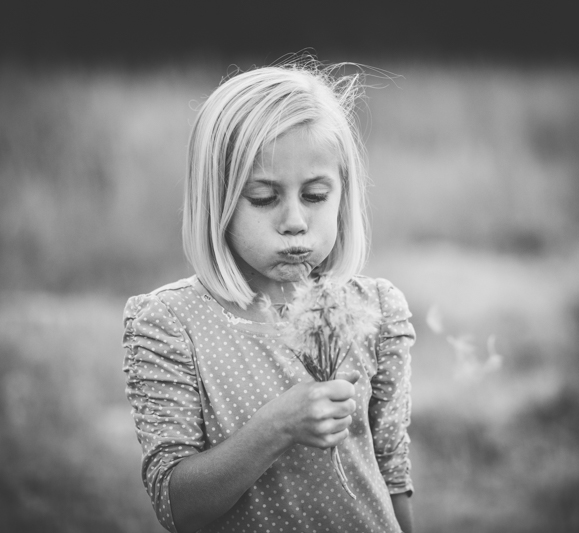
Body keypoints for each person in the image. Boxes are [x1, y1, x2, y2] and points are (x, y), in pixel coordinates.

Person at [122, 58, 415, 533]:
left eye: (315, 195)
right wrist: (277, 426)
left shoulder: (376, 310)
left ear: (344, 195)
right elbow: (178, 507)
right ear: (217, 200)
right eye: (263, 197)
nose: (294, 221)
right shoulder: (171, 324)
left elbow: (392, 470)